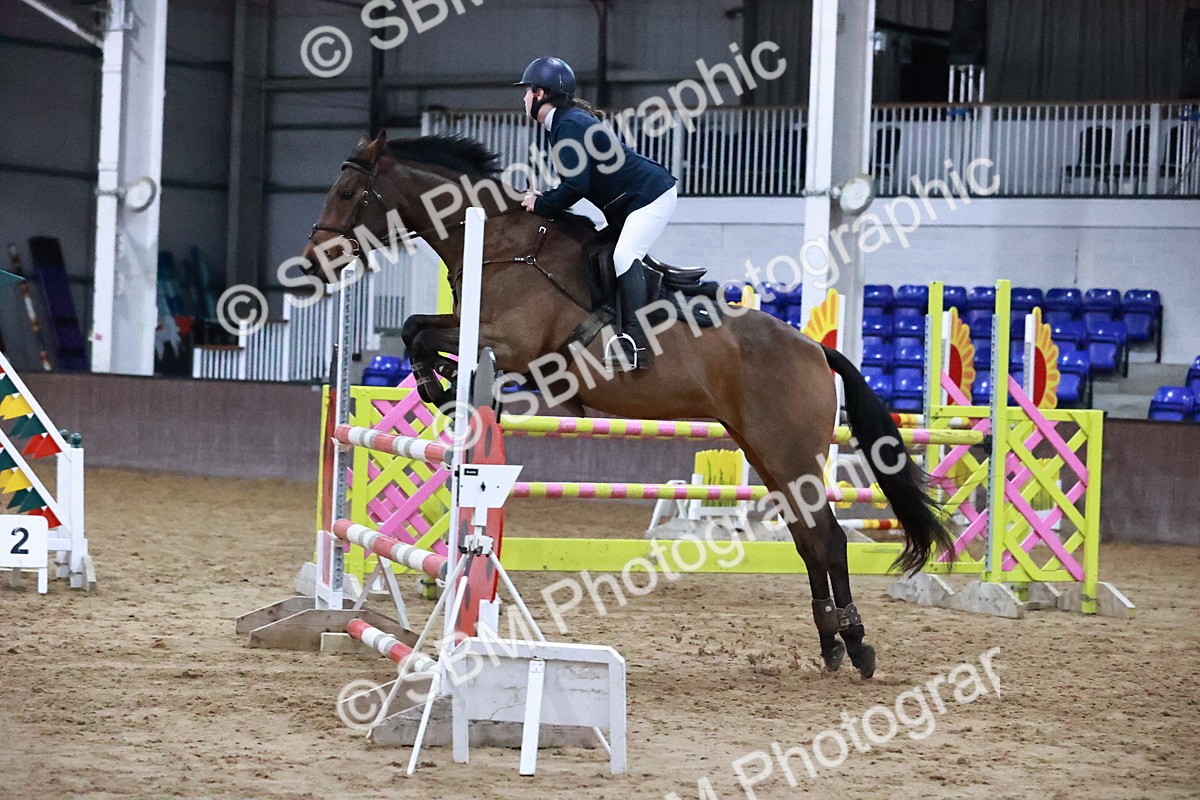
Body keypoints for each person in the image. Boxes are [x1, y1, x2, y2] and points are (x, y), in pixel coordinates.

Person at [515, 56, 677, 371]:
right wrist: (544, 198)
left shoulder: (569, 124)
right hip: (627, 203)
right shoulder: (562, 123)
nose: (522, 98)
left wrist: (542, 204)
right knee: (593, 253)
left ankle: (634, 345)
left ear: (540, 94)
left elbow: (575, 186)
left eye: (526, 91)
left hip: (650, 195)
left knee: (624, 255)